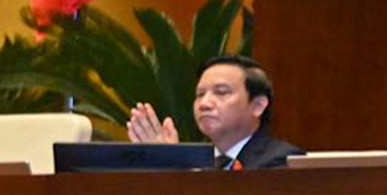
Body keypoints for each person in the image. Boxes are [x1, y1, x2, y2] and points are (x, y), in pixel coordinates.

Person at [126, 54, 302, 170]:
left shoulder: (282, 161)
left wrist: (176, 168)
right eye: (200, 94)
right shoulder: (199, 163)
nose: (204, 103)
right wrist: (166, 163)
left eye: (221, 92)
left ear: (257, 105)